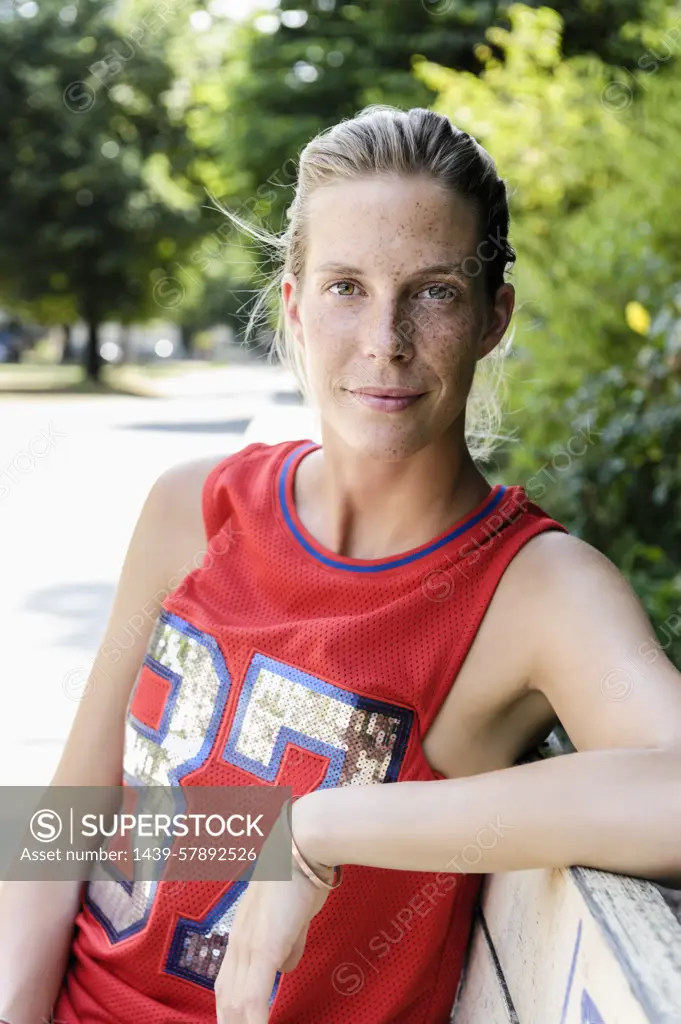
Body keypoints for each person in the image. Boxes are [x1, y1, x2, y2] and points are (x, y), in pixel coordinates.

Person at [1, 105, 680, 1024]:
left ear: (492, 317)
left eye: (434, 290)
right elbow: (71, 814)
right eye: (346, 287)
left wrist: (319, 829)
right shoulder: (192, 508)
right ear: (293, 301)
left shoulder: (531, 589)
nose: (385, 340)